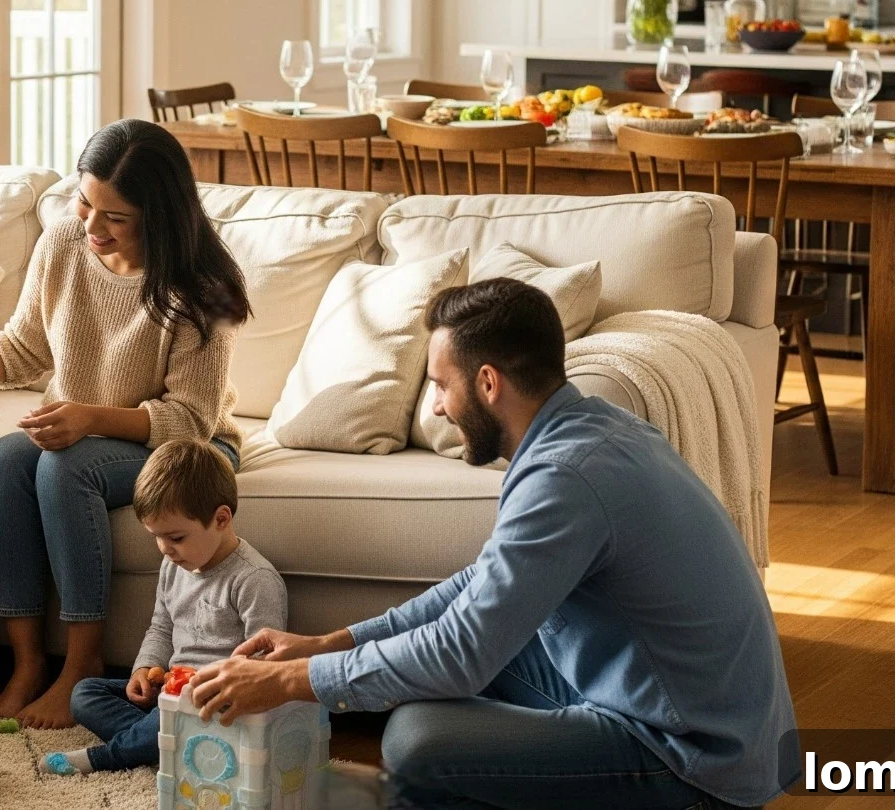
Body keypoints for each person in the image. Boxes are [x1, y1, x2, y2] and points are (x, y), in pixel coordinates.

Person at [187, 278, 800, 810]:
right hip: (686, 708)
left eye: (440, 385)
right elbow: (478, 588)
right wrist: (330, 643)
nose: (435, 407)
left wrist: (292, 681)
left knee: (417, 741)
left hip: (692, 758)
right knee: (436, 669)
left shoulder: (564, 477)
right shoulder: (591, 429)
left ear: (487, 383)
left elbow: (460, 652)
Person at [0, 118, 251, 728]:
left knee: (63, 468)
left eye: (115, 216)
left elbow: (190, 420)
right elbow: (23, 345)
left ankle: (82, 664)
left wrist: (89, 418)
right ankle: (27, 664)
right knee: (0, 464)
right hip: (86, 432)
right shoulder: (63, 241)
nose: (91, 225)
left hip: (192, 448)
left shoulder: (206, 288)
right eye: (84, 202)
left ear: (159, 216)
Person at [44, 441, 285, 776]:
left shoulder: (253, 579)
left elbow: (264, 663)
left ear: (221, 519)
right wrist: (144, 669)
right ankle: (168, 742)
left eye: (176, 538)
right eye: (156, 537)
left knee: (170, 717)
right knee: (85, 693)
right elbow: (161, 626)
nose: (165, 549)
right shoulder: (174, 566)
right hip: (168, 693)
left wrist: (202, 685)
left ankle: (107, 757)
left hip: (214, 701)